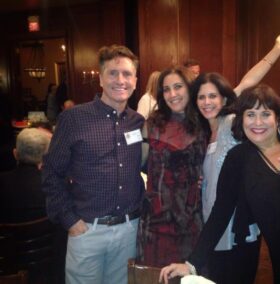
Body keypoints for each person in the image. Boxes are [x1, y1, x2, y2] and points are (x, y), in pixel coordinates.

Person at [160, 85, 280, 284]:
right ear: (242, 119)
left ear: (278, 118)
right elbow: (221, 211)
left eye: (265, 114)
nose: (258, 122)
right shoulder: (239, 159)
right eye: (250, 114)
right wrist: (192, 263)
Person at [189, 34, 280, 284]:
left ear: (224, 98)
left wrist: (276, 50)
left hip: (238, 222)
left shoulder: (232, 123)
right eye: (201, 97)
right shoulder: (202, 132)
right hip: (212, 217)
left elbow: (278, 119)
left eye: (213, 96)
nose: (207, 102)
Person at [42, 44, 145, 284]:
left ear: (135, 80)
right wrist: (70, 220)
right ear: (100, 78)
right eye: (112, 73)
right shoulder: (74, 118)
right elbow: (51, 173)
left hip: (129, 229)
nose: (120, 80)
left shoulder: (138, 122)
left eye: (127, 74)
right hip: (87, 230)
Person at [139, 66, 206, 268]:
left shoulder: (205, 121)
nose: (172, 94)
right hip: (156, 220)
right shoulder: (152, 123)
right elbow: (140, 164)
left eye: (178, 87)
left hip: (191, 219)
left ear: (190, 88)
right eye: (166, 89)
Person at [0, 128, 50, 223]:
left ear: (15, 154)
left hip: (9, 237)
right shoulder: (56, 187)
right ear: (45, 158)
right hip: (45, 236)